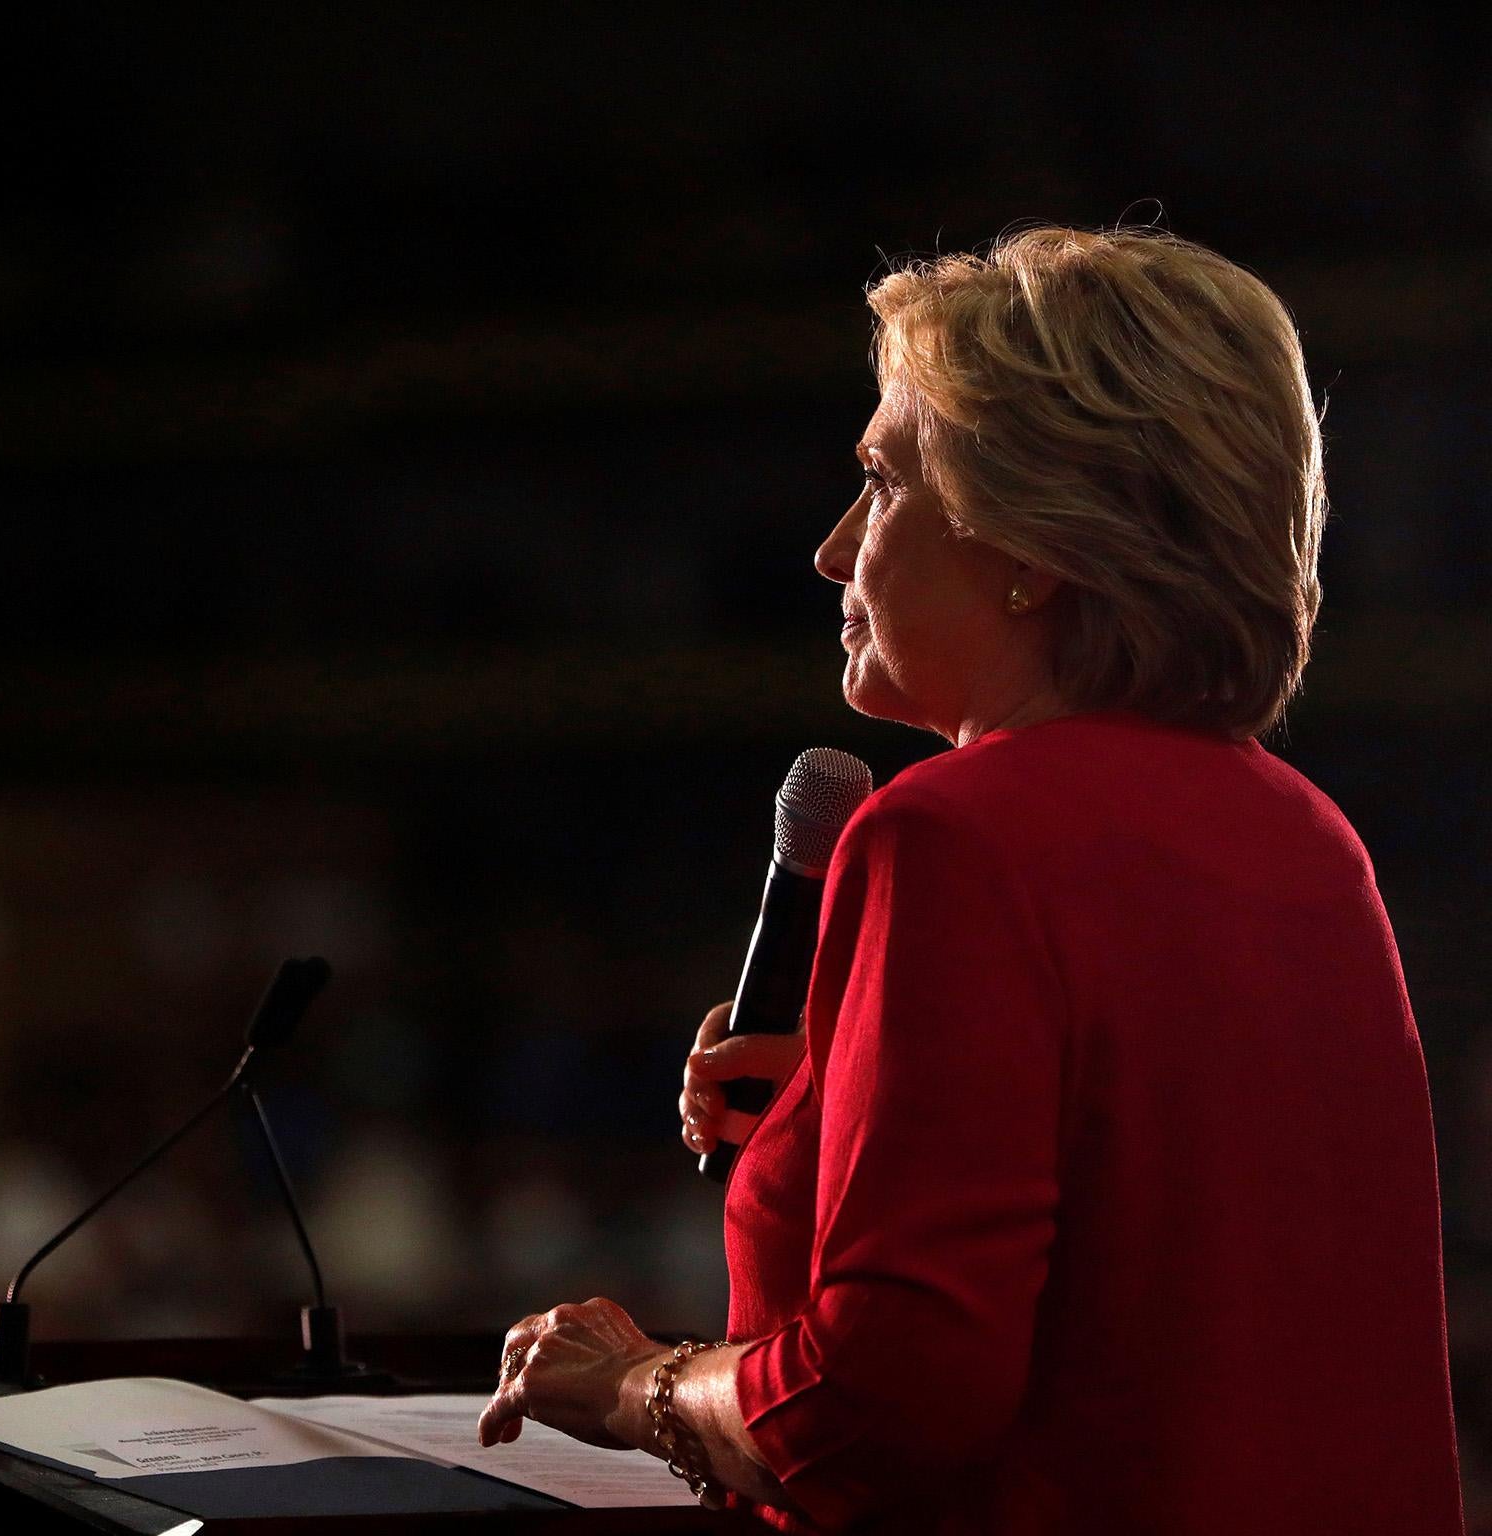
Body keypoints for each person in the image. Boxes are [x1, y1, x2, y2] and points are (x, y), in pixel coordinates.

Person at [475, 226, 1465, 1533]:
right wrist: (830, 1123)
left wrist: (634, 1388)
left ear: (1034, 545)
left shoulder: (954, 833)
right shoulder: (1309, 837)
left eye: (884, 482)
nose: (834, 551)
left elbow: (888, 1404)